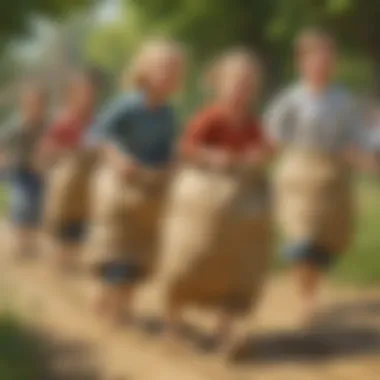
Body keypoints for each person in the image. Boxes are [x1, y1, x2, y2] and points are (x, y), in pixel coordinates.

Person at [158, 49, 273, 358]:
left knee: (235, 265)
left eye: (247, 84)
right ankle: (173, 323)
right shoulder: (209, 117)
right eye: (235, 82)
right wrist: (211, 156)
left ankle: (224, 332)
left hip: (235, 211)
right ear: (219, 84)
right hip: (203, 206)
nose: (240, 89)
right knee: (189, 258)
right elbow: (186, 146)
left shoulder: (252, 123)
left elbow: (265, 148)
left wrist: (259, 155)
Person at [265, 28, 374, 326]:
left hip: (334, 178)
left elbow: (356, 139)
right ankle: (306, 300)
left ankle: (310, 291)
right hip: (298, 176)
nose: (323, 64)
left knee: (323, 243)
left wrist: (367, 161)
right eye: (316, 58)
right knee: (302, 239)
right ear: (303, 61)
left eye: (328, 58)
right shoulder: (290, 99)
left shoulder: (343, 100)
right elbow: (272, 136)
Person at [85, 39, 186, 323]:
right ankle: (107, 293)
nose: (167, 75)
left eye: (173, 70)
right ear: (145, 71)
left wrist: (173, 164)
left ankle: (124, 304)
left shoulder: (168, 114)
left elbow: (168, 148)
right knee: (116, 244)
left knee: (140, 247)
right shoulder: (127, 105)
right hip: (119, 184)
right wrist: (117, 159)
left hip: (149, 186)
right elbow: (97, 134)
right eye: (161, 68)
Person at [39, 66, 106, 271]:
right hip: (66, 182)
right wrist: (65, 153)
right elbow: (48, 147)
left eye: (91, 93)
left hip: (88, 183)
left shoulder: (97, 122)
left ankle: (72, 259)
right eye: (82, 92)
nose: (87, 97)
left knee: (82, 222)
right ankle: (61, 261)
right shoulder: (64, 121)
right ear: (72, 94)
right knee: (64, 221)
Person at [0, 81, 49, 259]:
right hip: (18, 170)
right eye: (31, 104)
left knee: (36, 206)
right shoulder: (17, 125)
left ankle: (30, 243)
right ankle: (21, 244)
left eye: (39, 104)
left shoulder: (46, 126)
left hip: (38, 172)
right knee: (21, 203)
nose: (35, 108)